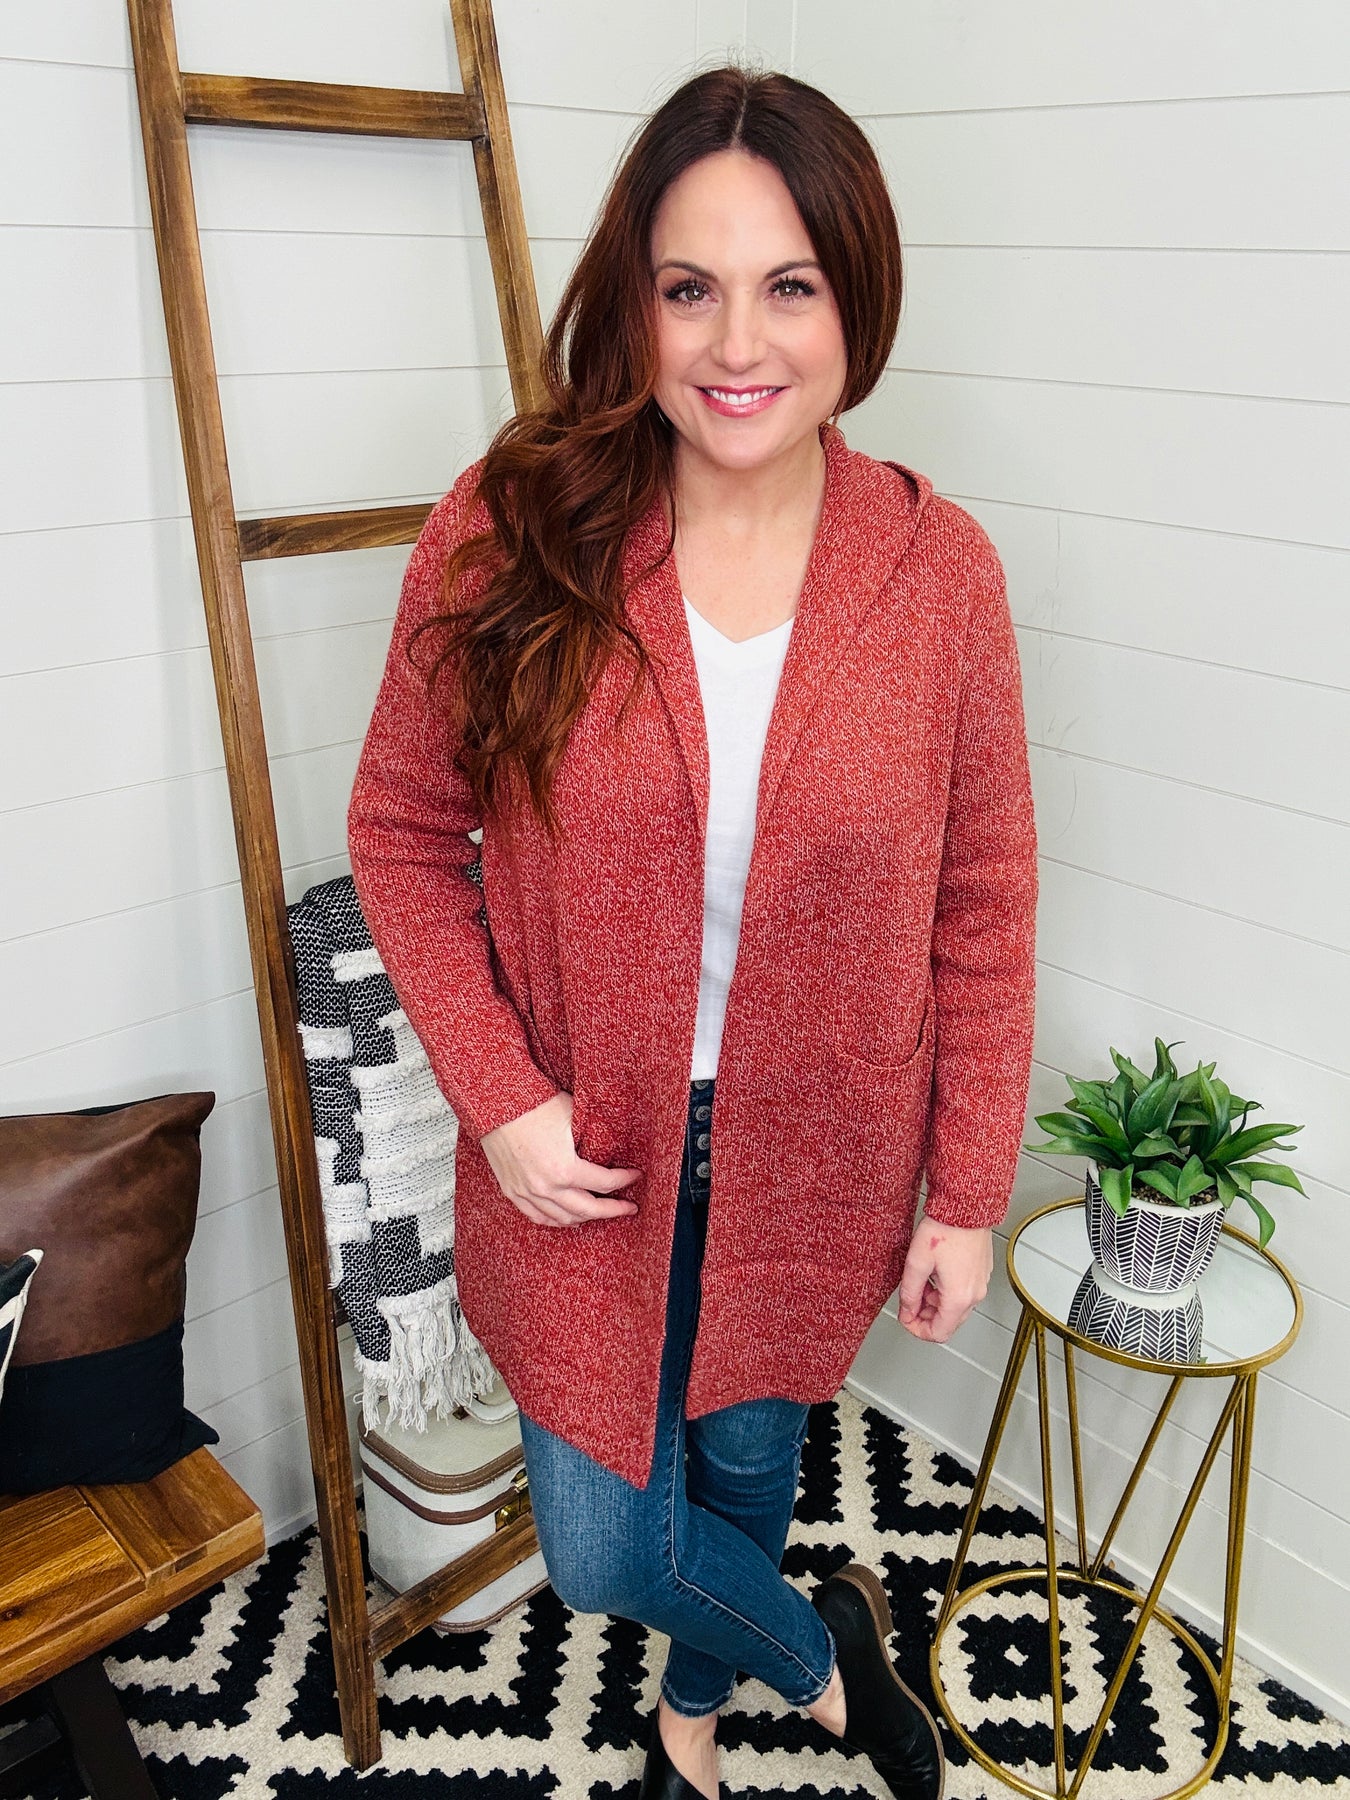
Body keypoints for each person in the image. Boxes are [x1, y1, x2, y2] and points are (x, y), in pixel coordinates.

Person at [348, 64, 1037, 1800]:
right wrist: (500, 1096)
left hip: (819, 1145)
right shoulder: (515, 525)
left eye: (788, 285)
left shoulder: (940, 573)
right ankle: (824, 1656)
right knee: (601, 1542)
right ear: (632, 302)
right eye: (688, 286)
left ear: (854, 300)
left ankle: (690, 1720)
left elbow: (982, 901)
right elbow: (401, 833)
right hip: (586, 1150)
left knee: (742, 1475)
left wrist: (965, 1190)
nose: (738, 344)